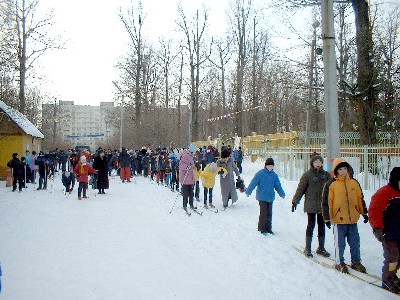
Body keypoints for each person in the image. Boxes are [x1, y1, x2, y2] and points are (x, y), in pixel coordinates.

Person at [322, 158, 369, 274]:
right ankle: (339, 262)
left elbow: (360, 198)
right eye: (340, 169)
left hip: (353, 219)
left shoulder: (354, 183)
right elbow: (326, 202)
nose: (343, 171)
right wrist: (327, 218)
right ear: (336, 171)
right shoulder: (331, 184)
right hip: (339, 220)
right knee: (340, 243)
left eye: (344, 169)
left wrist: (364, 212)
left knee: (355, 242)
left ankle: (356, 261)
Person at [292, 154, 331, 257]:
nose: (318, 164)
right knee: (311, 225)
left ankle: (321, 248)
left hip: (323, 206)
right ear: (312, 163)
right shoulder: (307, 175)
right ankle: (307, 248)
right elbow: (301, 189)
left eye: (320, 162)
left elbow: (332, 190)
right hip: (311, 205)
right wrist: (295, 201)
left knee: (321, 226)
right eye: (316, 162)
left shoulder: (326, 175)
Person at [369, 167, 400, 294]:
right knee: (392, 257)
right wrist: (377, 228)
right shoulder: (384, 193)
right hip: (389, 233)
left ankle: (392, 275)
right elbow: (374, 211)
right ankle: (388, 279)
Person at [245, 158, 285, 235]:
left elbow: (278, 186)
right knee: (263, 213)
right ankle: (261, 228)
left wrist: (282, 194)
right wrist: (248, 191)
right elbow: (253, 183)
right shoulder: (260, 174)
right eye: (268, 166)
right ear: (266, 166)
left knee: (269, 213)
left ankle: (268, 228)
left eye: (271, 166)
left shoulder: (274, 176)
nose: (270, 167)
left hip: (270, 197)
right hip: (262, 197)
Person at [179, 144, 197, 211]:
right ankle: (185, 205)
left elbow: (192, 165)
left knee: (191, 193)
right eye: (195, 151)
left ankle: (191, 204)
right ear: (192, 150)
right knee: (185, 193)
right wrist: (187, 167)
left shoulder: (191, 156)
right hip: (185, 177)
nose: (195, 153)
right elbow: (181, 165)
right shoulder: (185, 155)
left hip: (190, 177)